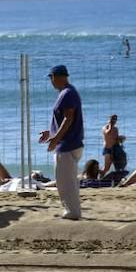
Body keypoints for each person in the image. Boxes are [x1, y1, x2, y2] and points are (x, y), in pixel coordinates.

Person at [39, 64, 83, 220]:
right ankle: (72, 210)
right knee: (68, 180)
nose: (51, 81)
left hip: (67, 145)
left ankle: (72, 212)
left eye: (51, 77)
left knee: (65, 182)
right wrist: (50, 133)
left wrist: (56, 138)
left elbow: (69, 118)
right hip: (69, 143)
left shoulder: (67, 93)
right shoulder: (66, 93)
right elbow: (63, 121)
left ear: (59, 77)